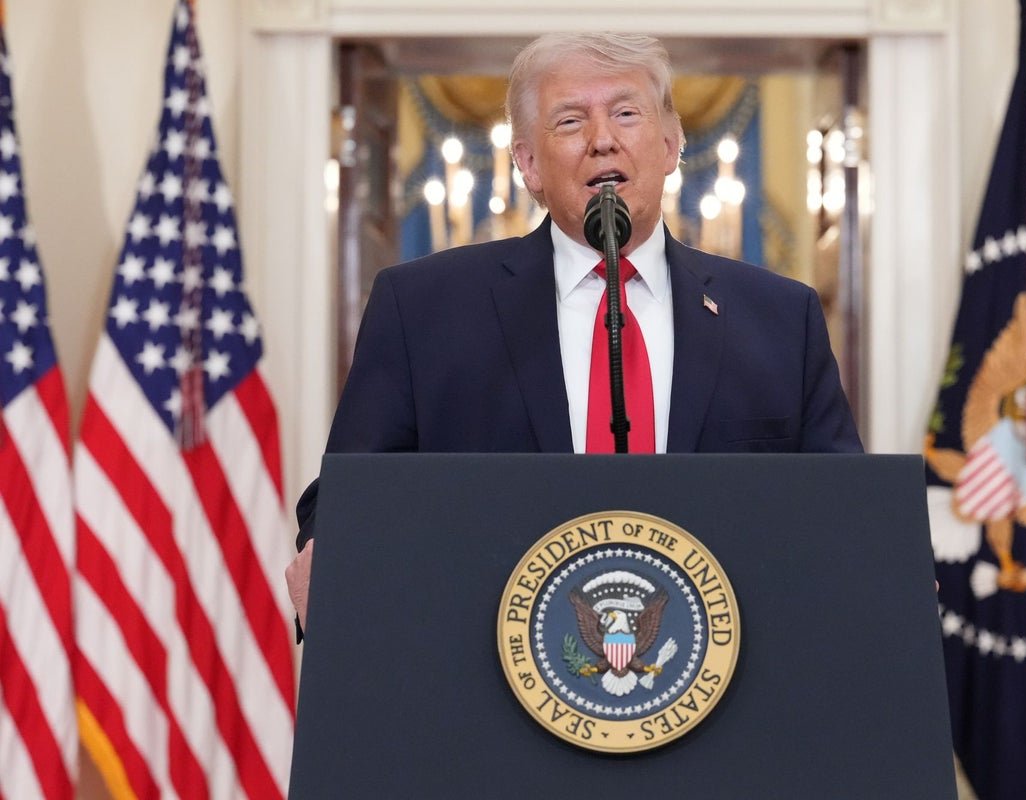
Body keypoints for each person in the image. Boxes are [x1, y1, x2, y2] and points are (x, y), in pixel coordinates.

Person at [286, 32, 862, 631]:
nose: (603, 139)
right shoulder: (423, 309)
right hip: (489, 676)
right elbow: (347, 495)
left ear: (670, 144)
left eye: (626, 113)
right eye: (569, 121)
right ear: (528, 165)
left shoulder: (778, 317)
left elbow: (844, 506)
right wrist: (329, 551)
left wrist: (881, 561)